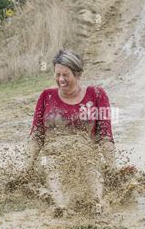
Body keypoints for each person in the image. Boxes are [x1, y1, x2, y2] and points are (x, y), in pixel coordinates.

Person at [25, 49, 115, 214]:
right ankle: (61, 207)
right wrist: (27, 167)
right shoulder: (46, 96)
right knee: (51, 170)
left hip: (86, 155)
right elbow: (36, 136)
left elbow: (105, 135)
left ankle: (98, 204)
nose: (61, 79)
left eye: (65, 75)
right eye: (57, 74)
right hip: (52, 156)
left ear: (78, 74)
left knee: (92, 170)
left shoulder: (97, 95)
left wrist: (112, 167)